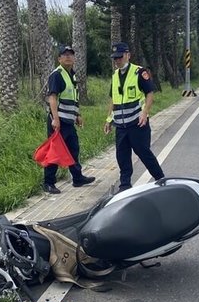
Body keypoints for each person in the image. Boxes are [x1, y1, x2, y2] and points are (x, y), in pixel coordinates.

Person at [103, 41, 165, 192]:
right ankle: (125, 186)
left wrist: (145, 112)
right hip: (121, 125)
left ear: (128, 55)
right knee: (122, 156)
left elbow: (149, 93)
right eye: (115, 58)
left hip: (137, 123)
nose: (117, 60)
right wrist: (109, 119)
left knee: (143, 152)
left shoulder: (139, 72)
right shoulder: (115, 75)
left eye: (120, 57)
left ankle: (160, 178)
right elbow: (113, 99)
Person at [42, 45, 96, 194]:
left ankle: (77, 178)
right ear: (59, 58)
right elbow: (52, 97)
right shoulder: (57, 74)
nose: (68, 57)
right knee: (55, 152)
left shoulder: (72, 75)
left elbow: (73, 98)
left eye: (70, 54)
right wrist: (55, 118)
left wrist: (77, 115)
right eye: (64, 55)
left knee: (73, 149)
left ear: (74, 58)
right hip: (58, 121)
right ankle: (48, 183)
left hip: (69, 121)